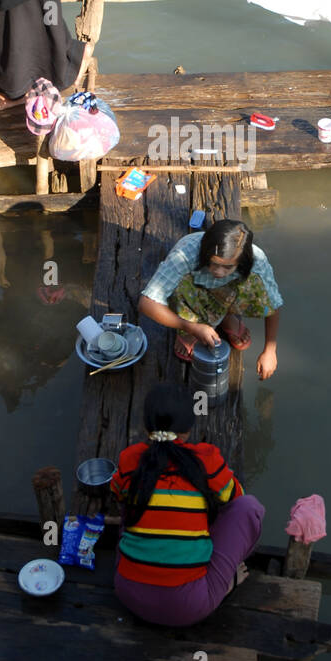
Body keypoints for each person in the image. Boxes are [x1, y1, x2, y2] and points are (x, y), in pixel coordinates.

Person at [110, 384, 265, 626]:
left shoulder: (129, 459)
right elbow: (236, 498)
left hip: (127, 592)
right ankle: (228, 583)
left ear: (145, 426)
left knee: (130, 505)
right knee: (249, 508)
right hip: (186, 609)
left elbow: (117, 494)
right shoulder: (207, 459)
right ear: (189, 430)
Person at [138, 218, 282, 380]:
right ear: (206, 253)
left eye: (228, 267)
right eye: (214, 264)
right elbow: (146, 303)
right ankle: (191, 326)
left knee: (256, 284)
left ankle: (226, 316)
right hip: (195, 289)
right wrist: (191, 327)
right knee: (181, 286)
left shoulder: (257, 260)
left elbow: (273, 302)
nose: (219, 272)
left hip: (228, 293)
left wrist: (270, 350)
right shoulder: (185, 255)